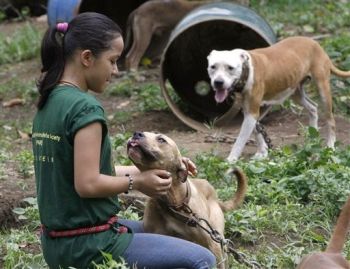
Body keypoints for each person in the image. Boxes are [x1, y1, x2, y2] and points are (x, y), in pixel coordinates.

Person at [32, 12, 216, 269]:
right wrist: (138, 181)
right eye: (113, 61)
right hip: (90, 246)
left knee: (153, 229)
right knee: (202, 259)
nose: (116, 70)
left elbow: (82, 172)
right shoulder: (85, 109)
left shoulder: (49, 100)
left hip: (58, 243)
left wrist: (160, 167)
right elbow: (87, 184)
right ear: (87, 58)